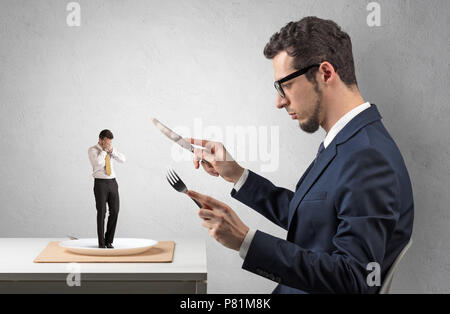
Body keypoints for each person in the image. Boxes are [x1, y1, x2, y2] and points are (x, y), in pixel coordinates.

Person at [185, 16, 414, 293]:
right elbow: (312, 216)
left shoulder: (368, 157)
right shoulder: (347, 141)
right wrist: (236, 174)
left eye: (285, 85)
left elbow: (354, 279)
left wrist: (246, 240)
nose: (279, 101)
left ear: (325, 73)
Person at [88, 129, 126, 248]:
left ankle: (109, 241)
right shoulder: (93, 150)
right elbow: (97, 164)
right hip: (100, 184)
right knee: (102, 212)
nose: (109, 145)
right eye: (106, 142)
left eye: (110, 143)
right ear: (100, 140)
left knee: (115, 211)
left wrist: (112, 150)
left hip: (112, 182)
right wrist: (104, 151)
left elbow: (123, 160)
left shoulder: (110, 149)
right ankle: (101, 242)